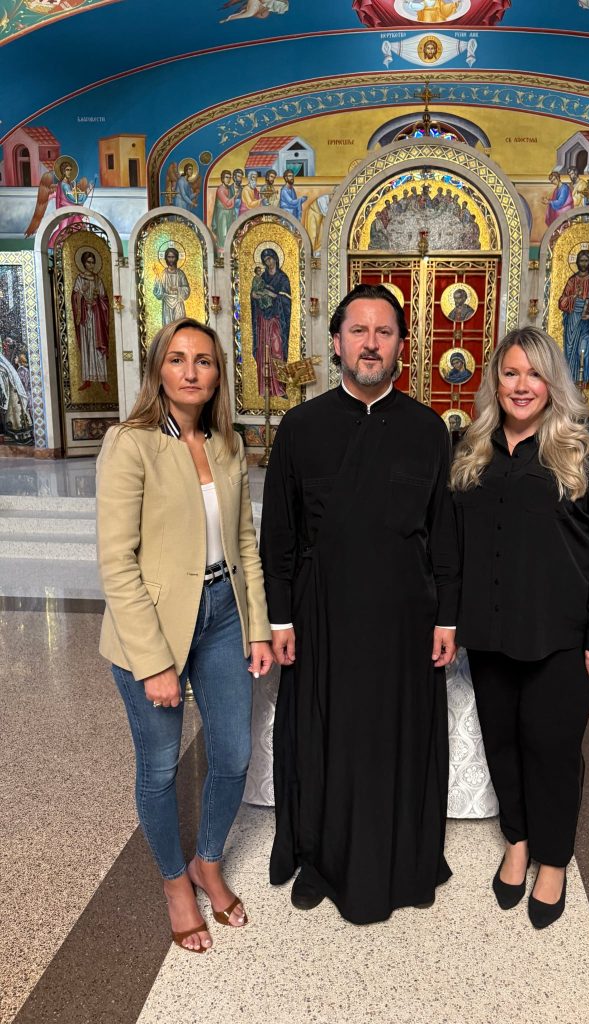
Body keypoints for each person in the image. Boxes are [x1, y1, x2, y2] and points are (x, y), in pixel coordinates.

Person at [260, 283, 460, 924]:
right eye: (358, 331)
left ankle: (403, 860)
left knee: (396, 738)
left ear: (402, 345)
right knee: (326, 736)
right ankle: (321, 858)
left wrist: (447, 617)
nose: (370, 344)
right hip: (324, 615)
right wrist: (280, 617)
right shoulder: (301, 428)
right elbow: (279, 535)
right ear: (337, 342)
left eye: (384, 332)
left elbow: (445, 532)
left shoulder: (428, 430)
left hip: (405, 619)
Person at [96, 318, 273, 953]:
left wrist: (257, 626)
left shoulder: (226, 443)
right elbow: (117, 562)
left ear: (218, 373)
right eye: (177, 359)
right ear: (158, 370)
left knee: (233, 754)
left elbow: (244, 542)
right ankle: (175, 882)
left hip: (223, 612)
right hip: (155, 624)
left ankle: (207, 861)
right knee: (160, 764)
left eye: (204, 360)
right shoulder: (131, 443)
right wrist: (153, 663)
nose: (191, 371)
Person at [451, 326, 589, 928]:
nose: (522, 385)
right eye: (510, 373)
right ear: (495, 381)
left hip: (562, 636)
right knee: (502, 742)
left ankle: (552, 859)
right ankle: (518, 842)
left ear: (553, 381)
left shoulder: (587, 448)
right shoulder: (473, 448)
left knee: (551, 749)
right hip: (490, 631)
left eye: (534, 373)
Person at [557, 248, 589, 391]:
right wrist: (573, 298)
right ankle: (569, 382)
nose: (583, 263)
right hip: (573, 320)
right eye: (581, 261)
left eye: (586, 261)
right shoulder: (572, 280)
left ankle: (582, 382)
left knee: (584, 350)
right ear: (577, 262)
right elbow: (561, 302)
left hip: (587, 322)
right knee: (571, 351)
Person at [250, 247, 291, 398]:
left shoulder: (282, 278)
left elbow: (286, 300)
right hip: (263, 320)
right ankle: (264, 389)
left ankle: (280, 388)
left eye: (270, 259)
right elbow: (255, 293)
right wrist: (254, 296)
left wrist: (272, 294)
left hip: (277, 319)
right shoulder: (261, 277)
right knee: (263, 351)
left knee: (277, 350)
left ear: (275, 258)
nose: (269, 262)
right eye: (266, 260)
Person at [71, 250, 110, 392]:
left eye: (93, 262)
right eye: (88, 262)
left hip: (96, 317)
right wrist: (81, 292)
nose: (91, 265)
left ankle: (103, 380)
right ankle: (87, 379)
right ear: (83, 263)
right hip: (84, 317)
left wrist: (98, 298)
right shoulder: (79, 279)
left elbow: (105, 299)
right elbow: (74, 297)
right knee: (87, 346)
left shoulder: (98, 279)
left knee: (97, 346)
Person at [153, 247, 191, 325]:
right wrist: (157, 280)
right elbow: (158, 292)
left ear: (176, 258)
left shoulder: (180, 274)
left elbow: (187, 290)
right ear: (166, 258)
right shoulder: (163, 274)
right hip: (167, 303)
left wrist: (177, 289)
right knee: (168, 326)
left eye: (173, 257)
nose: (171, 259)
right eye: (169, 257)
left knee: (179, 324)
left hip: (178, 302)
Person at [212, 171, 235, 251]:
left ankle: (229, 250)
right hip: (222, 214)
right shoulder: (220, 190)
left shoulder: (229, 189)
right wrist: (235, 196)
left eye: (229, 177)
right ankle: (222, 253)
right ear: (222, 179)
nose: (228, 179)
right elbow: (227, 203)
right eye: (226, 177)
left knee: (229, 232)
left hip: (229, 214)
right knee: (223, 233)